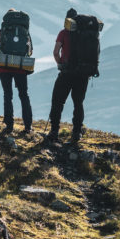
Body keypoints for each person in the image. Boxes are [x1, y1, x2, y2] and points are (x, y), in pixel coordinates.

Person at [45, 8, 91, 144]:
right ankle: (76, 133)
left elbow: (55, 52)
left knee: (57, 102)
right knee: (78, 103)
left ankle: (54, 131)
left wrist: (60, 64)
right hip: (82, 75)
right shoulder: (87, 35)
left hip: (66, 73)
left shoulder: (63, 33)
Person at [0, 9, 33, 135]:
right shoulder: (25, 32)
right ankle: (27, 126)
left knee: (7, 95)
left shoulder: (2, 31)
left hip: (4, 67)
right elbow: (30, 51)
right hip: (20, 68)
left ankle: (9, 125)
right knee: (24, 95)